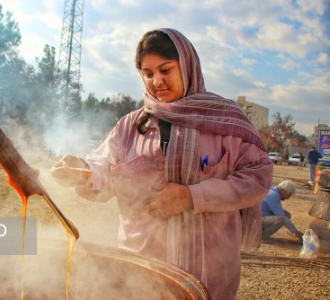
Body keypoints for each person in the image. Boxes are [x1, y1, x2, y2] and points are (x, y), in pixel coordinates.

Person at [51, 29, 273, 300]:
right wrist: (83, 171)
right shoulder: (131, 126)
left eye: (166, 70)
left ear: (188, 66)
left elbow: (257, 178)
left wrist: (192, 196)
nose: (157, 81)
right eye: (148, 73)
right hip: (140, 269)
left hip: (208, 272)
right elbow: (104, 171)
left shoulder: (227, 121)